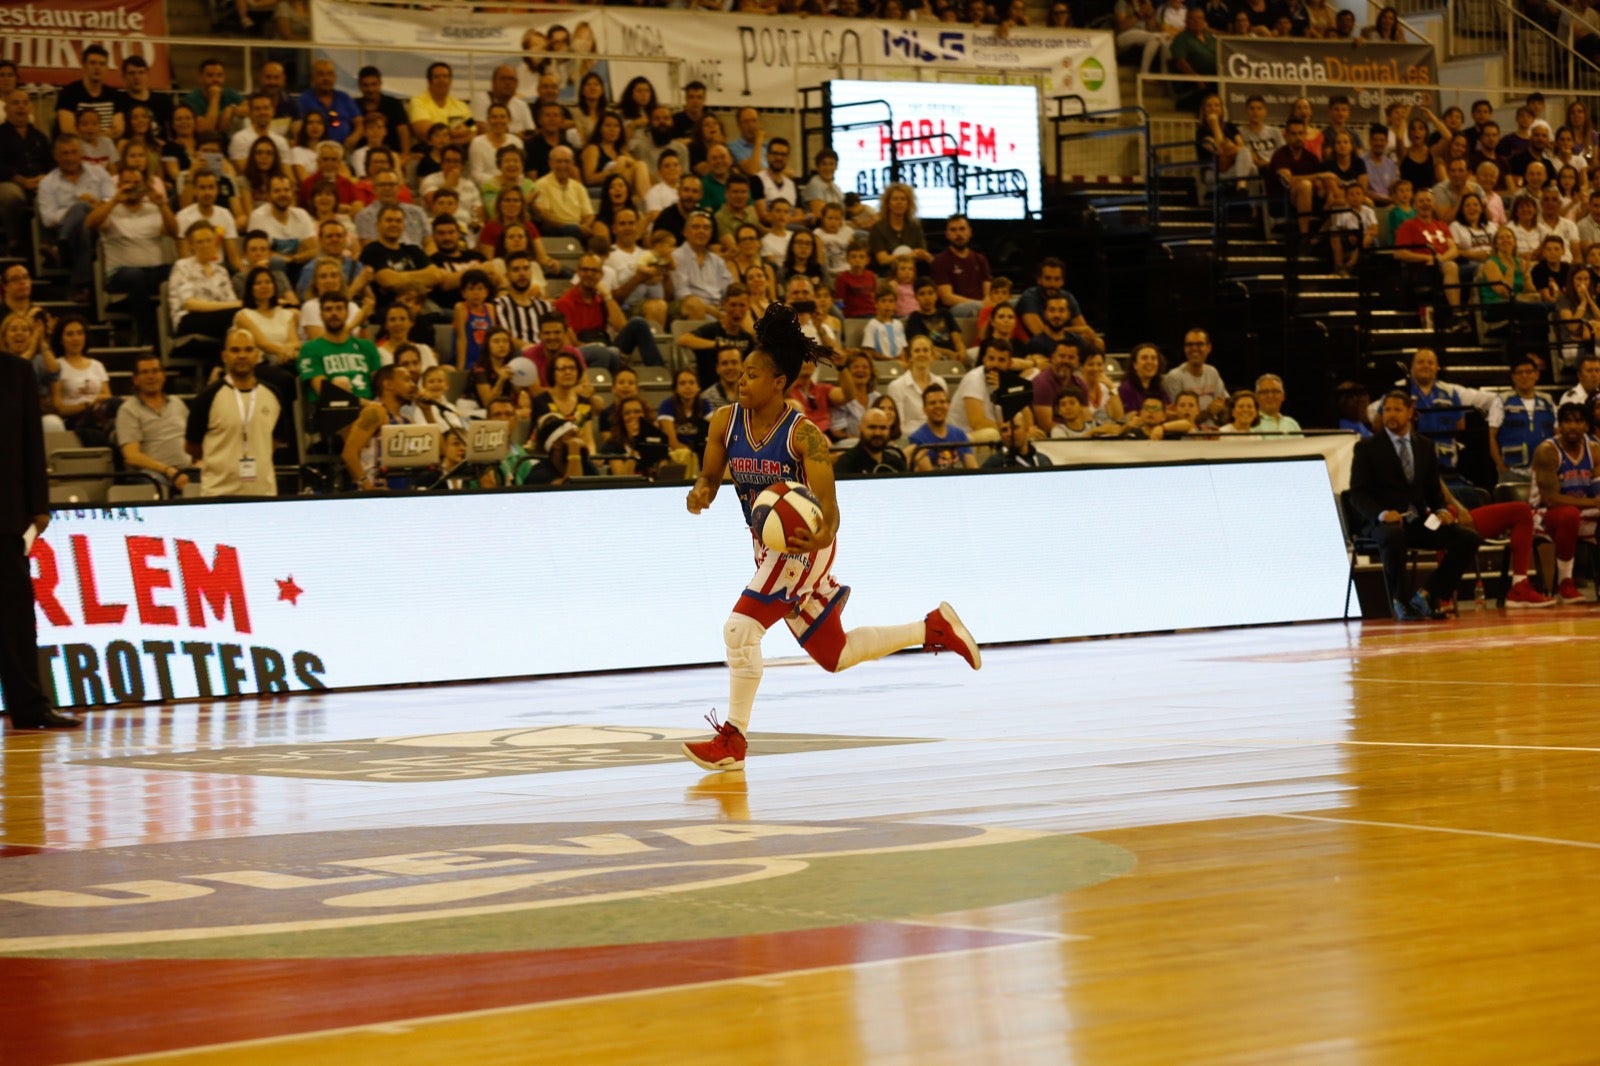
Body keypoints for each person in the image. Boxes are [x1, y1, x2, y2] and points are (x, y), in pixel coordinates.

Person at [679, 303, 980, 772]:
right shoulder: (724, 422)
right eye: (741, 373)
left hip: (807, 544)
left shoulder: (805, 436)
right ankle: (933, 627)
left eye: (753, 374)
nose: (742, 381)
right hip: (767, 549)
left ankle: (733, 740)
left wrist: (817, 535)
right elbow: (710, 479)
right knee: (833, 655)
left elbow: (831, 509)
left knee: (740, 631)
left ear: (779, 382)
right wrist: (700, 494)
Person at [1348, 389, 1483, 620]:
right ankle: (1399, 601)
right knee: (1393, 535)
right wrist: (1381, 514)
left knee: (1467, 539)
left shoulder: (1424, 445)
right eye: (1387, 409)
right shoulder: (1367, 447)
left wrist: (1441, 511)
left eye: (1397, 409)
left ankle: (1427, 595)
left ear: (1410, 412)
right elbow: (1356, 493)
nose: (1391, 414)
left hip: (1418, 520)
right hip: (1379, 523)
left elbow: (1432, 489)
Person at [1, 341, 80, 728]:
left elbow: (32, 440)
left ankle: (29, 707)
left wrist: (39, 505)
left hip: (5, 515)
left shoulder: (17, 372)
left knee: (15, 618)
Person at [184, 327, 281, 498]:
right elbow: (192, 447)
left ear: (257, 355)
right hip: (219, 494)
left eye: (248, 349)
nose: (242, 355)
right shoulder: (207, 397)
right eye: (235, 350)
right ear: (225, 356)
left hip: (263, 493)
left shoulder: (273, 395)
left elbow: (274, 441)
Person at [1530, 402, 1600, 603]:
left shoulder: (1594, 450)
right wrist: (1593, 503)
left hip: (1581, 512)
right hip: (1543, 516)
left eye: (1578, 421)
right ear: (1559, 425)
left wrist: (1595, 502)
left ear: (1587, 426)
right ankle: (1565, 583)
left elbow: (1597, 491)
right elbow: (1550, 499)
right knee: (1568, 514)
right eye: (1567, 421)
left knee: (1575, 514)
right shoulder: (1547, 450)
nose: (1572, 426)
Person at [116, 355, 192, 493]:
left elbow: (193, 439)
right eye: (145, 372)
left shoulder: (177, 403)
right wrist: (168, 470)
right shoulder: (128, 409)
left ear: (163, 376)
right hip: (154, 474)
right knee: (154, 482)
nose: (151, 376)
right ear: (136, 379)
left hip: (187, 469)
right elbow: (131, 456)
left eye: (155, 371)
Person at [1162, 328, 1228, 423]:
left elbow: (1223, 404)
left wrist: (1221, 407)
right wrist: (1209, 412)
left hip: (1211, 432)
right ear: (1185, 349)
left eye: (1199, 344)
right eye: (1190, 345)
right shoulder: (1175, 377)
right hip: (1186, 434)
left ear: (1209, 348)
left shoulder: (1212, 372)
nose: (1194, 348)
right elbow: (1179, 417)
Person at [834, 406, 908, 476]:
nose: (877, 433)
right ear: (860, 429)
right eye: (872, 427)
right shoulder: (846, 464)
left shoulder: (897, 464)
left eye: (883, 428)